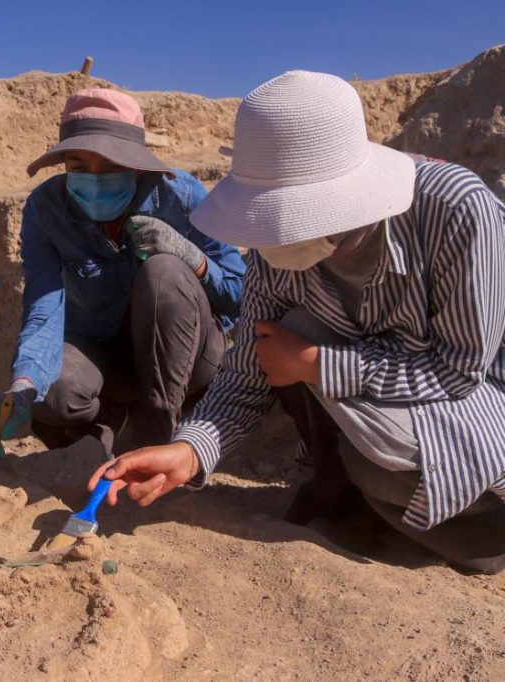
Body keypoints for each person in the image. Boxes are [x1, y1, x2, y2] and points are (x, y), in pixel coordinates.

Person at [92, 70, 505, 574]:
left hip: (478, 397)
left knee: (382, 463)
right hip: (387, 394)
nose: (276, 231)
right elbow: (246, 373)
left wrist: (319, 364)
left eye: (294, 214)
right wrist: (189, 450)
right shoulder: (275, 248)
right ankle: (343, 494)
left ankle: (483, 535)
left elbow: (460, 370)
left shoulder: (454, 210)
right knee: (288, 339)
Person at [0, 88, 244, 458]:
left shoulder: (181, 197)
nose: (95, 177)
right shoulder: (46, 208)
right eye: (79, 166)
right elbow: (45, 305)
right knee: (50, 393)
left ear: (136, 165)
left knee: (164, 271)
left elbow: (239, 295)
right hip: (107, 357)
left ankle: (156, 431)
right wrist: (25, 383)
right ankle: (114, 421)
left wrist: (194, 259)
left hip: (188, 364)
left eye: (110, 165)